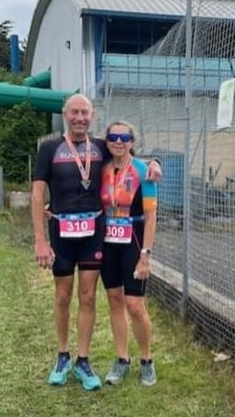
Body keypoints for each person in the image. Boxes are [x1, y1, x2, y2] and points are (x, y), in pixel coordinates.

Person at [31, 94, 161, 391]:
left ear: (92, 117)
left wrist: (155, 163)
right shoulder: (50, 147)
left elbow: (133, 158)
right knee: (64, 296)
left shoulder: (100, 147)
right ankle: (64, 356)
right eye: (74, 112)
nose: (80, 117)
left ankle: (86, 360)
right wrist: (40, 238)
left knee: (91, 297)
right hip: (63, 234)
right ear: (65, 114)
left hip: (95, 235)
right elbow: (38, 195)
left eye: (85, 113)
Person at [99, 121, 159, 387]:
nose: (119, 141)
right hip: (107, 242)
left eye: (125, 137)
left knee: (135, 305)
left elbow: (151, 215)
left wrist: (145, 254)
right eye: (113, 136)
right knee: (114, 300)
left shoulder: (144, 171)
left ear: (133, 141)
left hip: (133, 240)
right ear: (107, 141)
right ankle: (122, 359)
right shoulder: (101, 169)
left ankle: (147, 360)